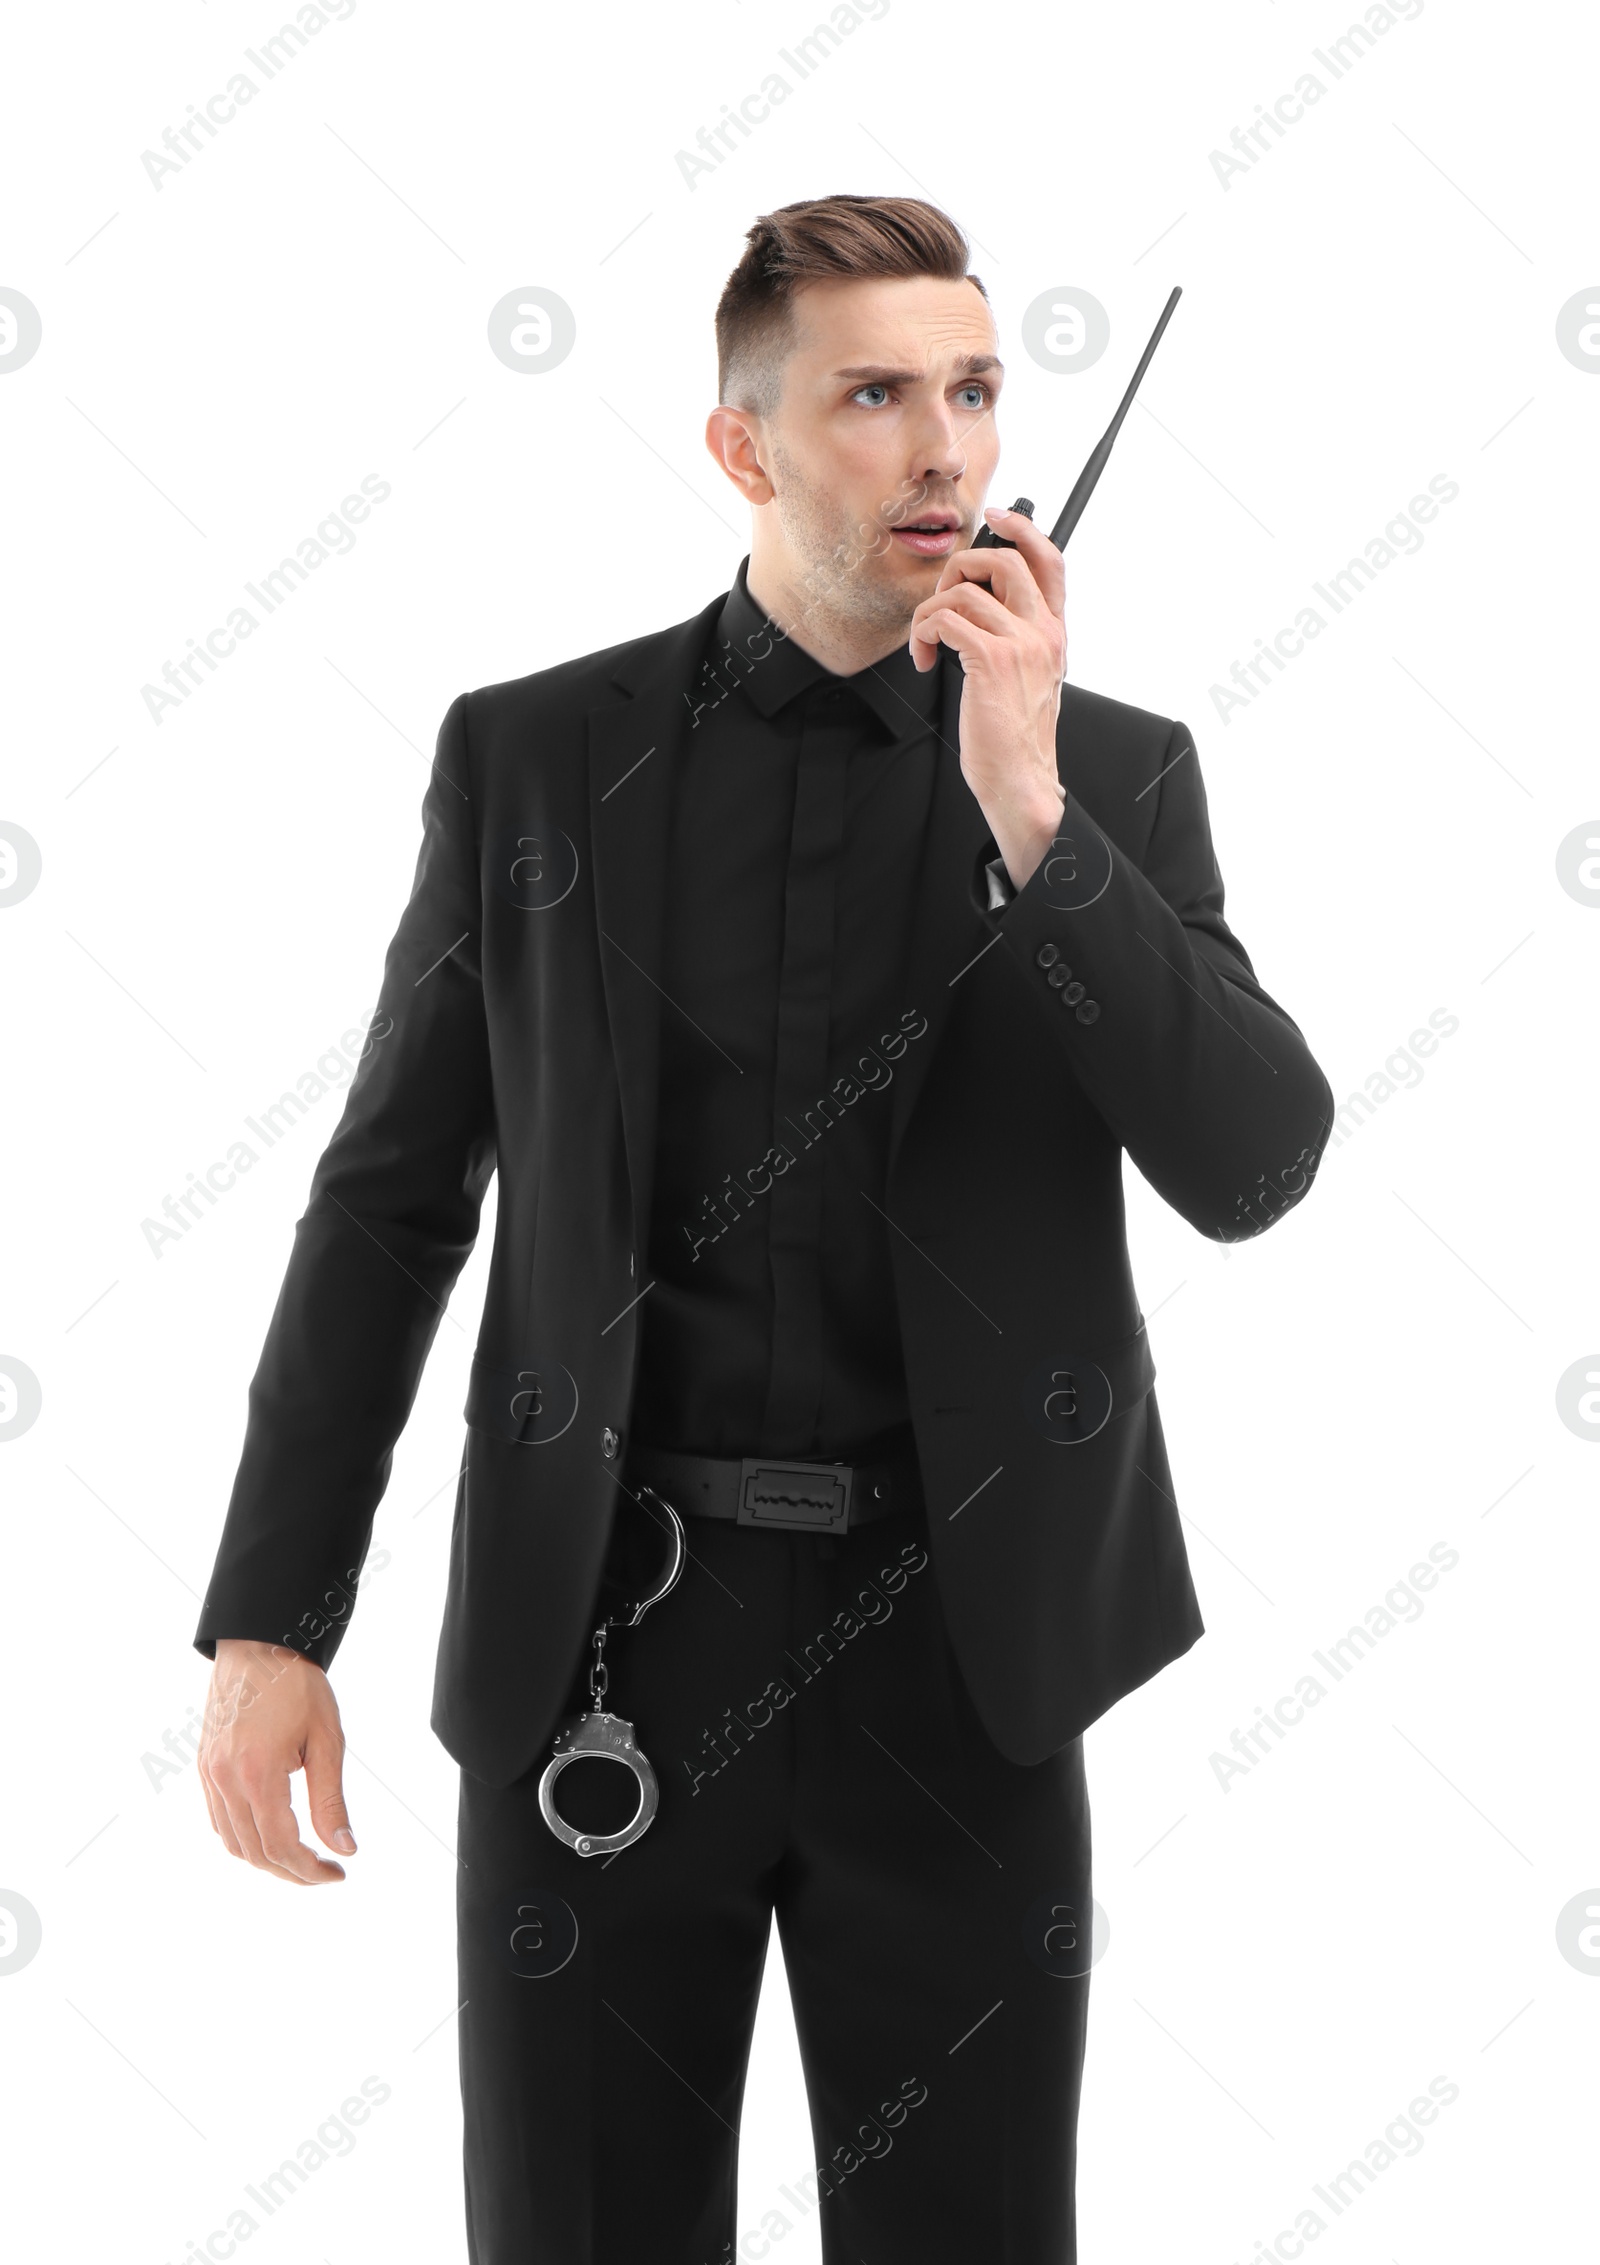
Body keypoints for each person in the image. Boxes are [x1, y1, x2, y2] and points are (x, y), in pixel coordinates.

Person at [194, 193, 1333, 2262]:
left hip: (961, 1657)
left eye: (974, 391)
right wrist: (272, 1619)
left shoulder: (1107, 778)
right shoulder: (533, 759)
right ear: (743, 445)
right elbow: (384, 1206)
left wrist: (1030, 816)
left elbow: (1253, 1166)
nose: (943, 449)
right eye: (875, 393)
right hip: (602, 1655)